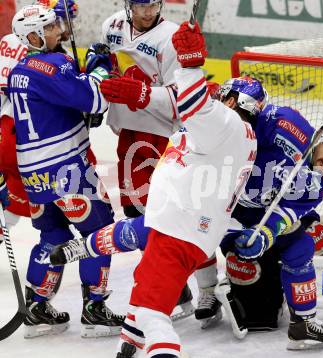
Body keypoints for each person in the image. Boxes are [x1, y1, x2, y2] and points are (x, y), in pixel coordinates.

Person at [49, 20, 263, 357]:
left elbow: (193, 104)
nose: (219, 95)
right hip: (180, 226)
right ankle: (85, 256)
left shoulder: (226, 123)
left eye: (226, 95)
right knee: (136, 248)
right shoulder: (238, 135)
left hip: (180, 230)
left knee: (153, 315)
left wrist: (191, 64)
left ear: (236, 103)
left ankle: (164, 343)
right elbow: (132, 232)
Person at [194, 105, 323, 350]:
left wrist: (264, 235)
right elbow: (253, 121)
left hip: (252, 219)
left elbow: (284, 215)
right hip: (225, 202)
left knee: (301, 247)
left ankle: (303, 324)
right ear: (322, 135)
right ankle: (207, 290)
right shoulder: (291, 126)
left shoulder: (321, 183)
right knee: (197, 233)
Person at [8, 4, 124, 338]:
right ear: (34, 36)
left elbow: (62, 102)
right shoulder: (54, 65)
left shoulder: (20, 69)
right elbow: (96, 100)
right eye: (51, 27)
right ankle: (95, 307)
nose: (60, 30)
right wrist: (99, 69)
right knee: (99, 230)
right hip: (65, 169)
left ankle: (38, 304)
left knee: (53, 235)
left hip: (32, 173)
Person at [0, 0, 80, 218]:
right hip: (27, 142)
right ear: (35, 32)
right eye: (55, 24)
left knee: (17, 212)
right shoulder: (54, 60)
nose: (62, 29)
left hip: (15, 137)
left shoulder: (11, 41)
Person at [101, 0, 180, 218]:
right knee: (132, 208)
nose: (148, 13)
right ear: (129, 6)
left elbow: (179, 98)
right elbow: (107, 66)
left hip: (159, 132)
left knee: (157, 210)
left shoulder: (171, 37)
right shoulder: (112, 25)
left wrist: (141, 93)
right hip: (127, 126)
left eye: (154, 6)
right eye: (141, 7)